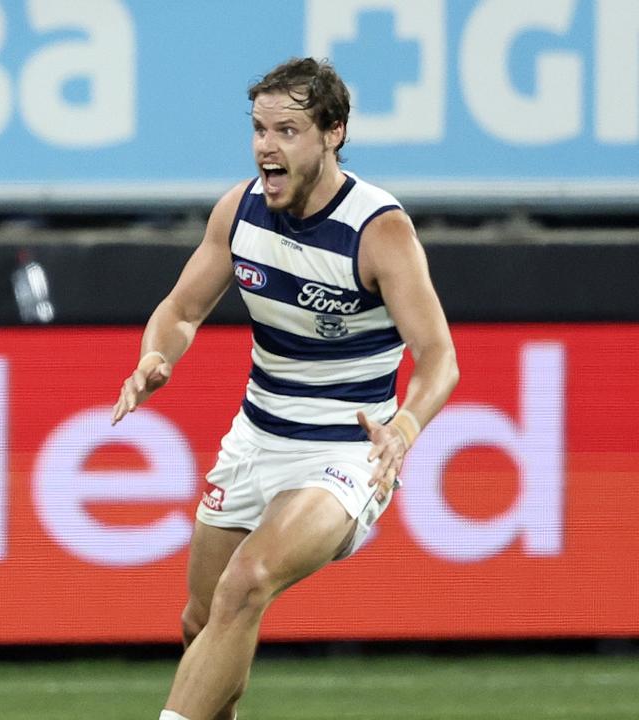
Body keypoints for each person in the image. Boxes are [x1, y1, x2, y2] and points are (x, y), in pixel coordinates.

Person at [111, 57, 459, 720]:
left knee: (247, 583)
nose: (267, 146)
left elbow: (439, 357)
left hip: (346, 453)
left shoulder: (378, 231)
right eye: (259, 129)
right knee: (201, 621)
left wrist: (405, 429)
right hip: (256, 438)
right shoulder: (239, 212)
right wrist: (156, 357)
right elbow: (181, 311)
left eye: (288, 130)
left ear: (334, 133)